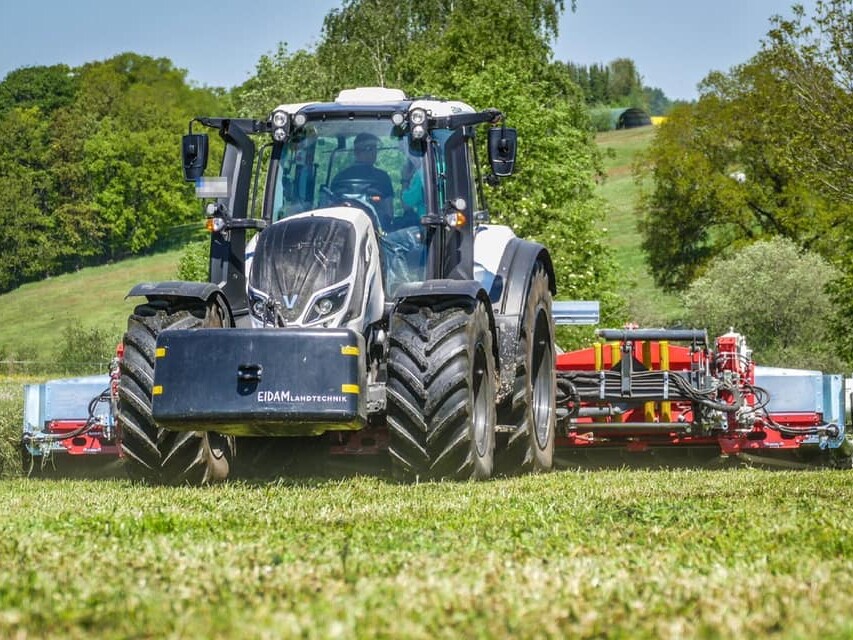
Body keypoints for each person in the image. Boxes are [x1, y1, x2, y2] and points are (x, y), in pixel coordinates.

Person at [331, 132, 394, 199]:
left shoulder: (340, 177)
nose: (374, 152)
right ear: (356, 152)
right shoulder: (382, 177)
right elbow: (388, 207)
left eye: (375, 148)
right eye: (369, 148)